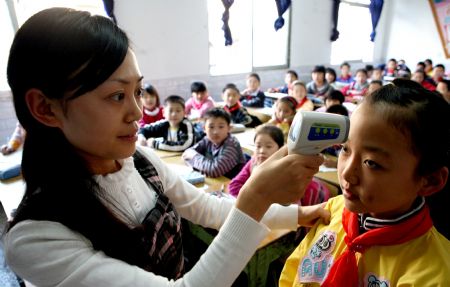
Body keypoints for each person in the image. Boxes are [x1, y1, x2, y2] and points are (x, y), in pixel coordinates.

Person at [4, 8, 330, 287]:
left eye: (138, 91)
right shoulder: (37, 239)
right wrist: (256, 197)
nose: (136, 112)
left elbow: (207, 208)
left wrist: (300, 214)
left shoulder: (138, 161)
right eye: (117, 96)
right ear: (46, 109)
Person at [279, 79, 450, 286]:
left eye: (372, 163)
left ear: (429, 181)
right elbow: (292, 274)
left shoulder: (432, 274)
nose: (348, 174)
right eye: (345, 149)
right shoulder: (332, 210)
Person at [229, 125, 330, 206]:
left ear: (280, 149)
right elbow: (233, 186)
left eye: (268, 146)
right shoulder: (254, 162)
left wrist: (253, 199)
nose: (262, 151)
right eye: (258, 146)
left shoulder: (288, 171)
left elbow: (290, 206)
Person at [182, 108, 246, 178]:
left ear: (229, 128)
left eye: (221, 127)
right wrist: (203, 166)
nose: (216, 132)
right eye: (211, 127)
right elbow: (187, 153)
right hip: (216, 181)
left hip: (231, 184)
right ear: (204, 129)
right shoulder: (207, 139)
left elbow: (214, 171)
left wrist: (194, 157)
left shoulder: (232, 144)